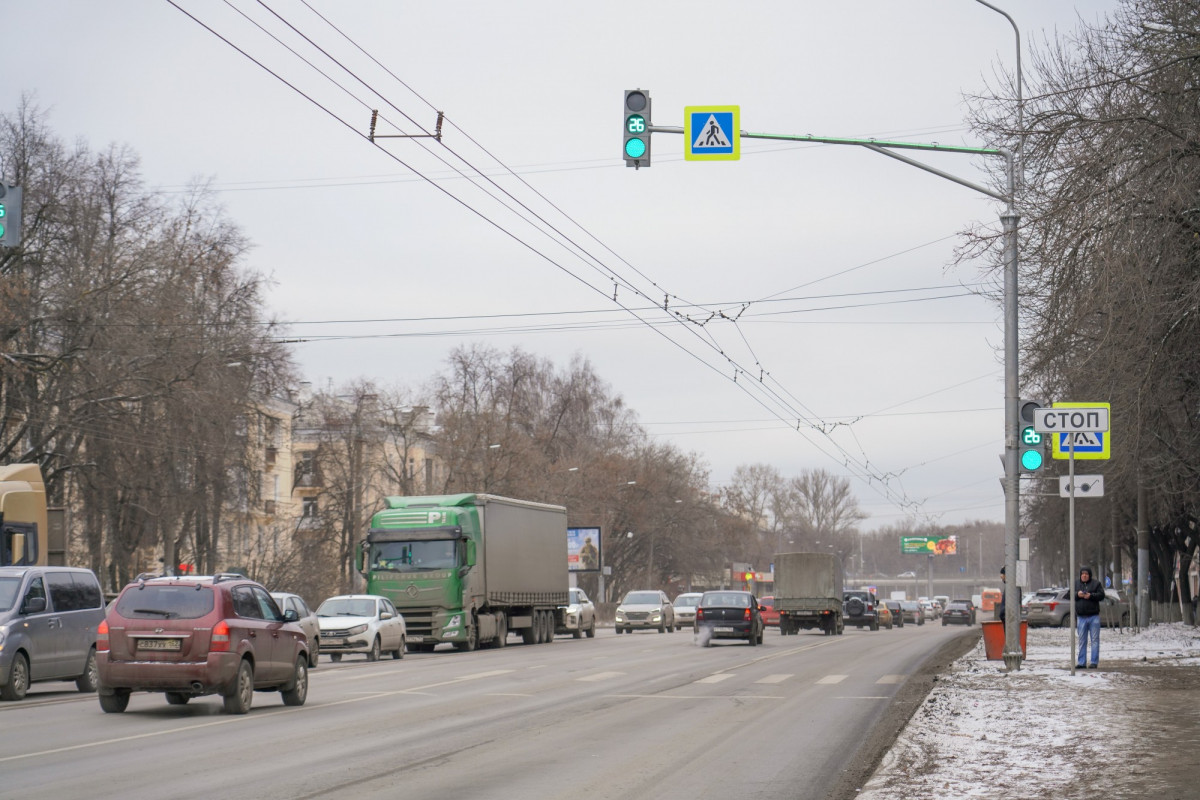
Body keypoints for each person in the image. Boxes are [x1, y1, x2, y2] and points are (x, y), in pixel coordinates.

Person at [1075, 565, 1106, 668]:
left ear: (1090, 575)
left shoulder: (1096, 584)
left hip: (1094, 617)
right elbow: (1069, 595)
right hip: (1081, 617)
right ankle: (1081, 662)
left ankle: (1094, 662)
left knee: (1095, 640)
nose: (1084, 575)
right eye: (1082, 574)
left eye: (1086, 574)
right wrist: (1077, 594)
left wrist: (1091, 596)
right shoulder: (1076, 583)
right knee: (1082, 641)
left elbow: (1101, 595)